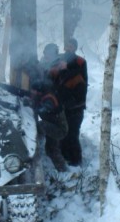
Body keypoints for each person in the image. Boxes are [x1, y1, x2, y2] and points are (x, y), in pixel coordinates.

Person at [31, 43, 69, 172]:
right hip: (53, 120)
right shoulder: (44, 65)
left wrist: (34, 108)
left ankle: (63, 171)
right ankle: (62, 170)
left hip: (59, 124)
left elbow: (45, 108)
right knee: (51, 148)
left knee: (52, 146)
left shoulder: (49, 97)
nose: (45, 55)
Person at [56, 38, 88, 166]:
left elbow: (79, 77)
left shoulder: (80, 62)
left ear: (75, 47)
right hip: (62, 104)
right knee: (63, 133)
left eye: (71, 46)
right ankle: (65, 158)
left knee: (73, 134)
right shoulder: (59, 59)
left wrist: (66, 67)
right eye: (67, 45)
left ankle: (76, 161)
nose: (68, 48)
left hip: (76, 105)